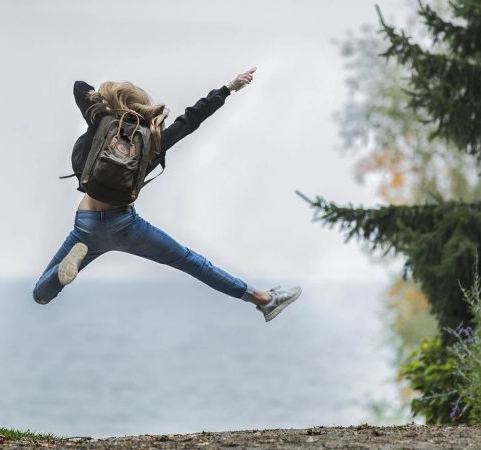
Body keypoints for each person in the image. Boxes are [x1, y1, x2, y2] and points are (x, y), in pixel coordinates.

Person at [31, 67, 301, 322]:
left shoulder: (102, 122)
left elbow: (80, 87)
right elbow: (191, 119)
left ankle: (65, 271)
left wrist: (106, 104)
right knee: (193, 263)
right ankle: (263, 300)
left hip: (86, 225)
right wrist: (228, 88)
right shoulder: (152, 141)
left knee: (40, 295)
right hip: (125, 226)